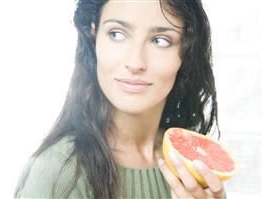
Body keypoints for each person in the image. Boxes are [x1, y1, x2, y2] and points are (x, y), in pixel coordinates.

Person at [15, 0, 225, 198]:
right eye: (116, 34)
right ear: (93, 35)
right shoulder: (59, 171)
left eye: (160, 40)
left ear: (186, 51)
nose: (135, 63)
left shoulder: (192, 165)